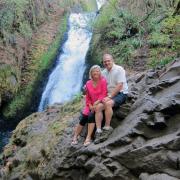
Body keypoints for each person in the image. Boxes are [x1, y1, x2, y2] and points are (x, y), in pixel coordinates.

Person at [71, 65, 107, 146]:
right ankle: (75, 136)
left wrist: (96, 103)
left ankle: (88, 137)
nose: (96, 72)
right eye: (94, 71)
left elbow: (104, 94)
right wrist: (90, 105)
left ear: (100, 72)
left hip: (99, 103)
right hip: (90, 105)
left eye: (97, 71)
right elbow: (88, 97)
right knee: (84, 117)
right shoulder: (88, 83)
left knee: (91, 115)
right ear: (91, 73)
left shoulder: (103, 81)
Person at [95, 53, 128, 138]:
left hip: (121, 93)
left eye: (108, 61)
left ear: (112, 60)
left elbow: (120, 85)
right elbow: (99, 85)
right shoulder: (103, 73)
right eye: (104, 62)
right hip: (109, 95)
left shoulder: (119, 69)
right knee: (98, 107)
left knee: (108, 103)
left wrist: (109, 97)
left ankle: (107, 127)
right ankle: (98, 130)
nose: (106, 63)